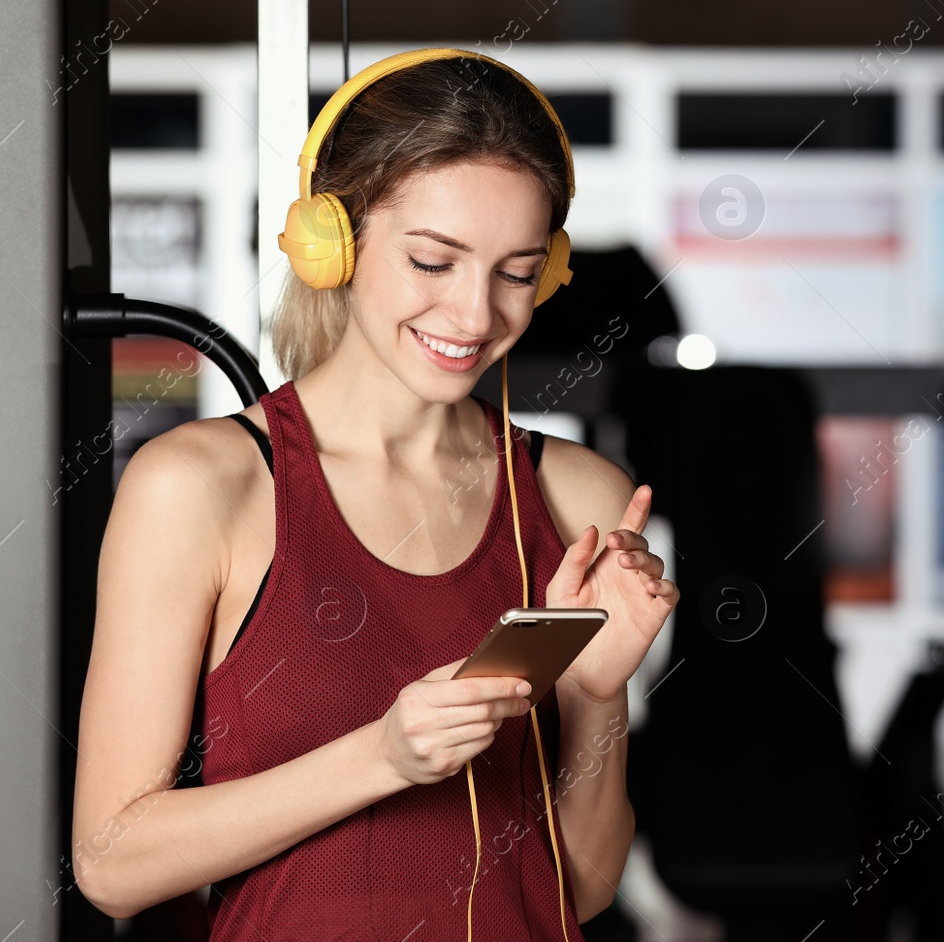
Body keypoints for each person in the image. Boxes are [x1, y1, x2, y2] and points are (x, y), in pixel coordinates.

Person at [72, 51, 679, 940]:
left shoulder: (579, 498)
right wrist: (383, 756)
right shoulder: (201, 487)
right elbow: (112, 863)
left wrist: (595, 692)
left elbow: (580, 889)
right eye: (434, 260)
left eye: (515, 272)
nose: (476, 316)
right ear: (336, 243)